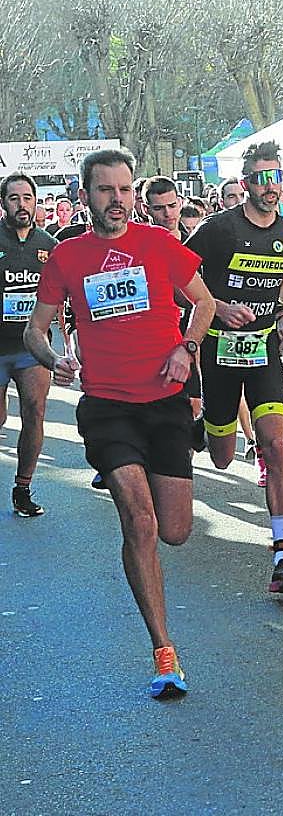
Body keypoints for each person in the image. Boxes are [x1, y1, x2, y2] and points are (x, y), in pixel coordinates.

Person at [24, 147, 216, 696]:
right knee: (140, 519)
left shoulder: (159, 244)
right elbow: (36, 330)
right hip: (107, 406)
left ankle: (149, 533)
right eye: (106, 189)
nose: (118, 200)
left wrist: (187, 347)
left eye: (125, 189)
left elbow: (203, 304)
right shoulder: (66, 257)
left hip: (165, 402)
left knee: (174, 530)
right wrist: (53, 357)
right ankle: (164, 651)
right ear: (85, 195)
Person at [185, 141, 283, 595]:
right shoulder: (218, 229)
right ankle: (201, 427)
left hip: (263, 352)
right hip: (219, 353)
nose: (270, 187)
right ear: (246, 183)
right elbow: (178, 279)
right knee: (221, 456)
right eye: (261, 178)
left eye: (276, 177)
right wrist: (216, 306)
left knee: (274, 444)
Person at [0, 173, 58, 516]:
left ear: (35, 202)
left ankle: (22, 488)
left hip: (31, 347)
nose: (21, 205)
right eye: (14, 198)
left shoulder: (49, 244)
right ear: (3, 203)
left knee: (35, 412)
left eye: (27, 198)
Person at [142, 176, 205, 450]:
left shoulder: (196, 241)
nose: (167, 214)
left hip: (189, 339)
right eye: (159, 208)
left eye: (172, 205)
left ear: (180, 203)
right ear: (146, 209)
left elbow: (204, 298)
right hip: (151, 341)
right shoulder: (140, 244)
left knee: (190, 411)